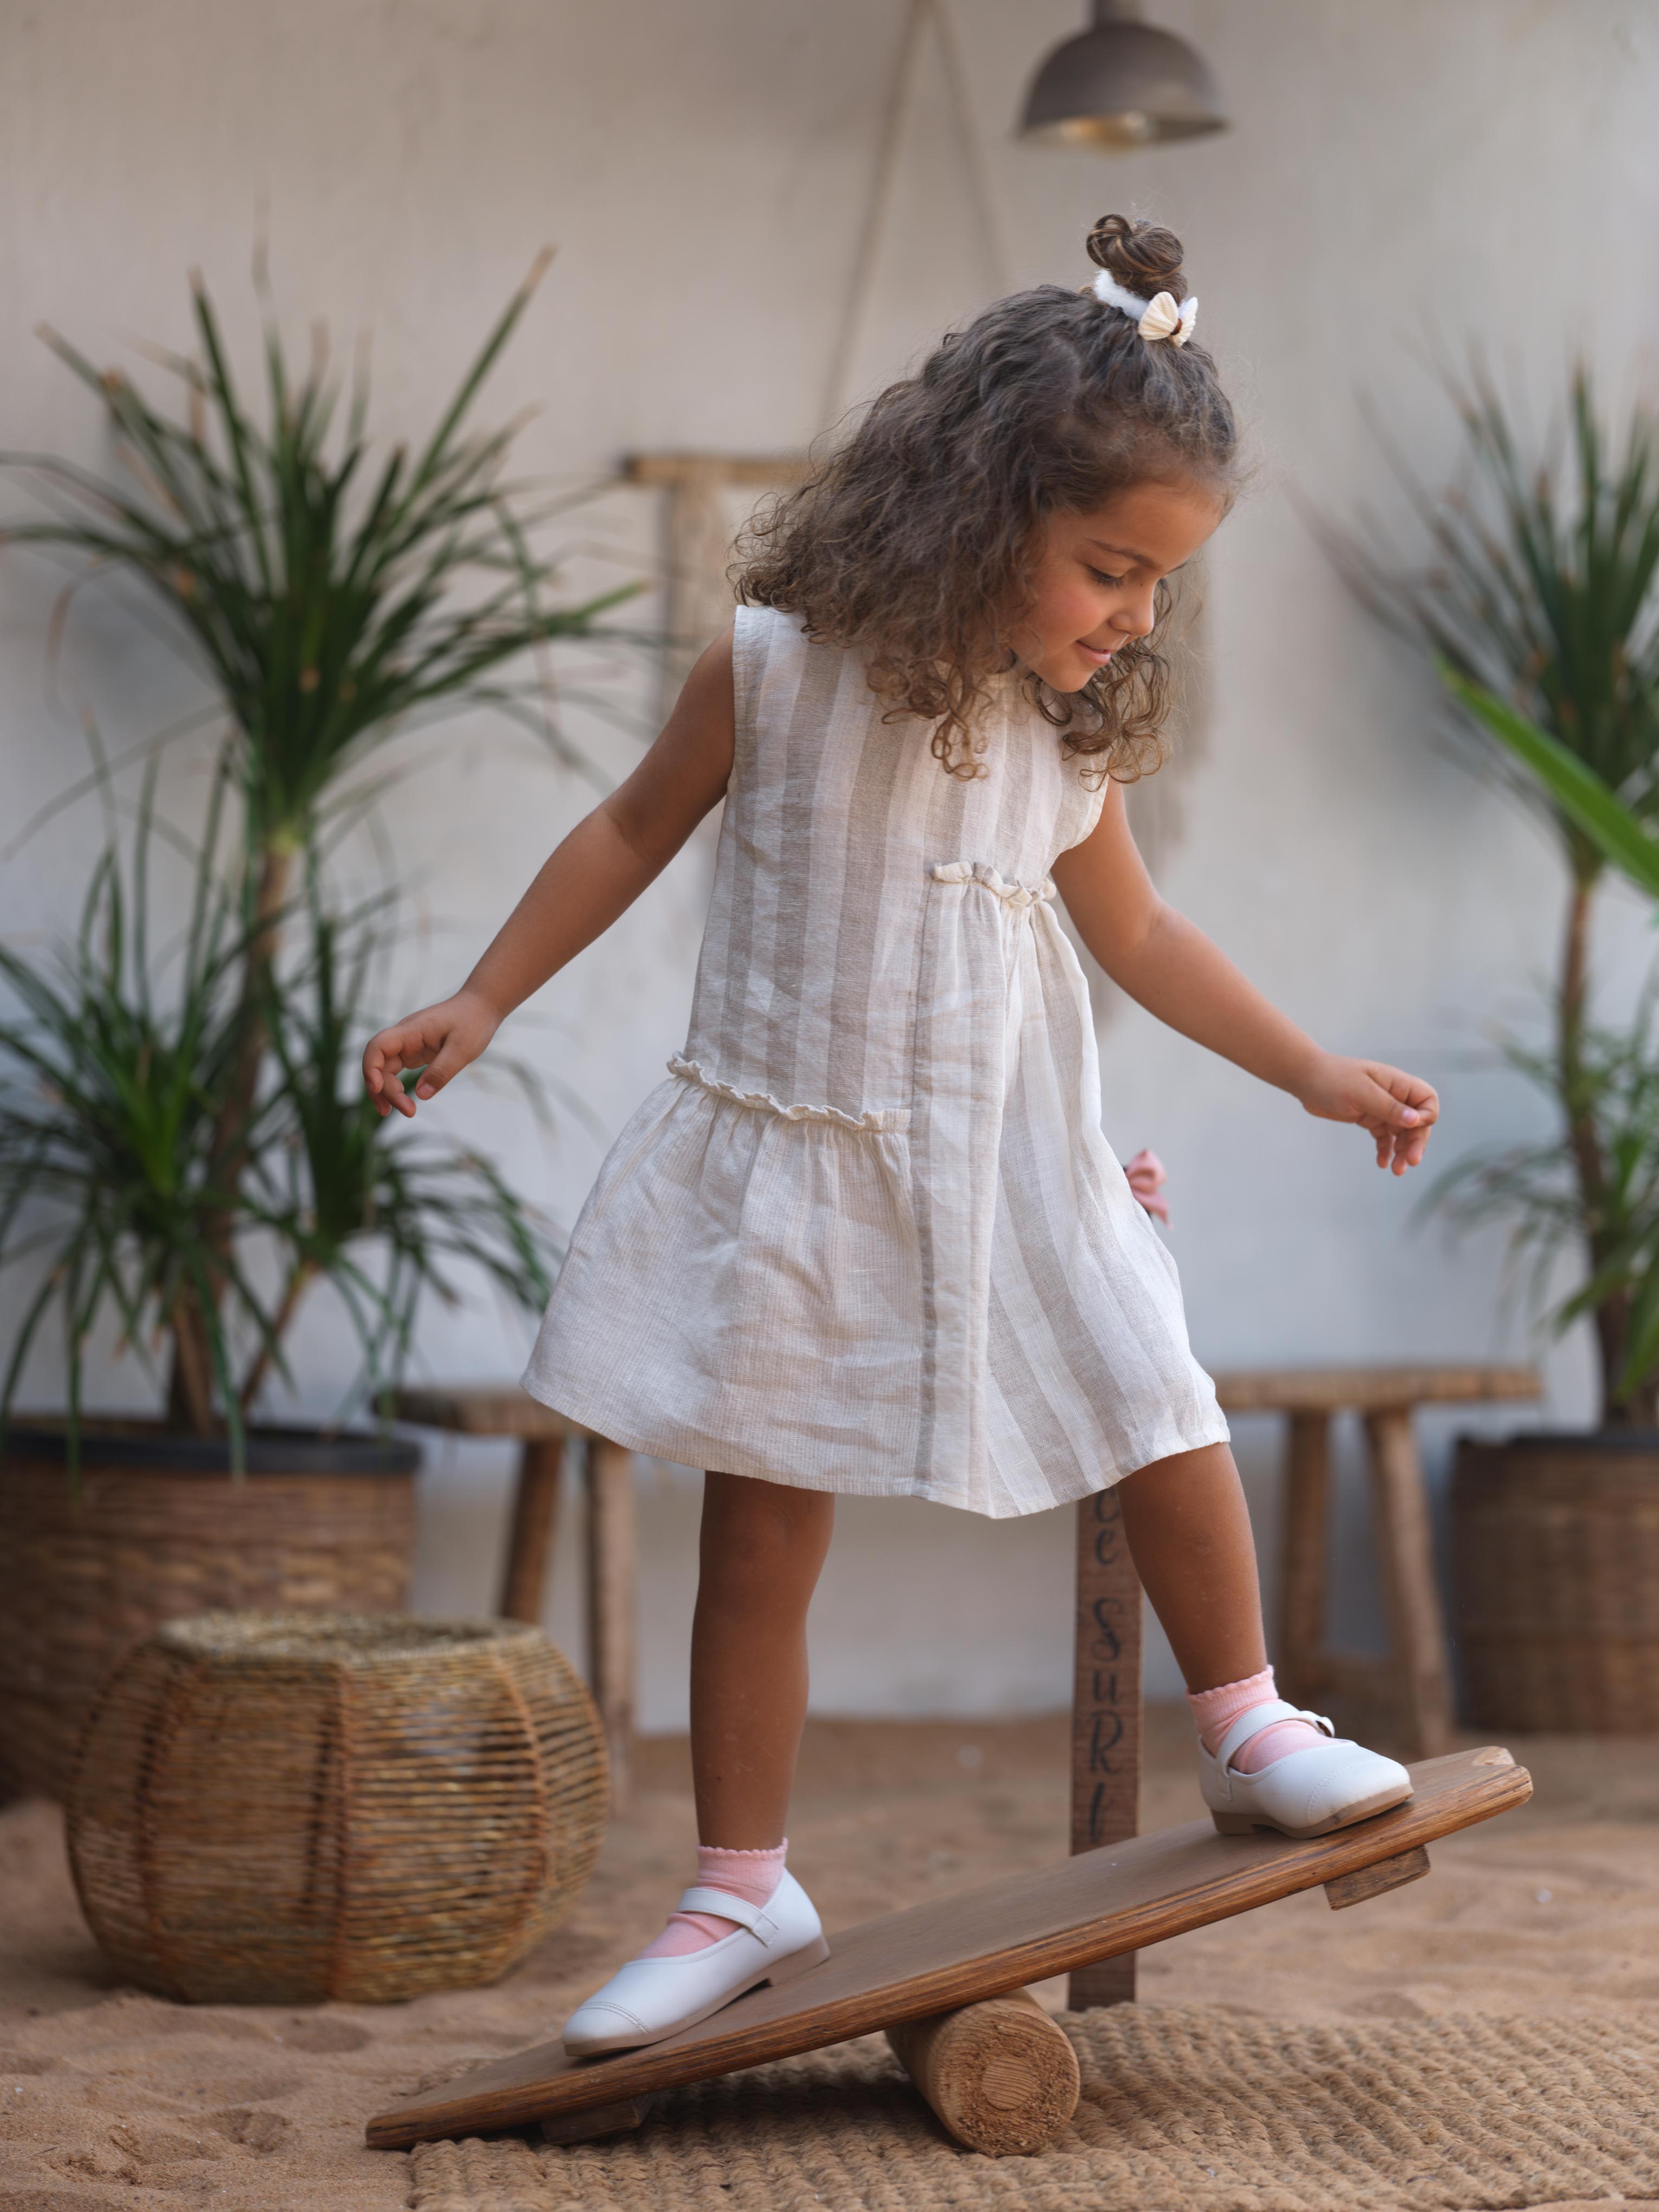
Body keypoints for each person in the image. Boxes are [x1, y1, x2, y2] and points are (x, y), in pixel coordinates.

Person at [362, 214, 1439, 2058]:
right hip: (798, 1161)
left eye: (1162, 586)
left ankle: (1247, 1723)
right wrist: (485, 997)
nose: (1136, 616)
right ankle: (740, 1892)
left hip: (1015, 1160)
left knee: (1158, 1400)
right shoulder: (770, 668)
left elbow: (1140, 937)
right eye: (1110, 568)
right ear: (979, 507)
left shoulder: (1067, 737)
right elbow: (627, 832)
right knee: (761, 1531)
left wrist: (1312, 1072)